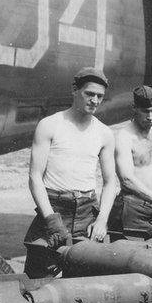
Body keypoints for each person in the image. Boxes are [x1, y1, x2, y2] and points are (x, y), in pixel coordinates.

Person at [24, 67, 118, 278]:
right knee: (38, 281)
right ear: (75, 90)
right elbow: (35, 177)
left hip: (87, 213)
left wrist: (102, 220)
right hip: (54, 208)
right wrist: (50, 219)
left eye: (100, 96)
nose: (95, 100)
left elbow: (111, 182)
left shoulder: (105, 133)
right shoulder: (50, 125)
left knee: (85, 282)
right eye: (89, 93)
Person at [107, 85, 152, 234]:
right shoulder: (124, 137)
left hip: (151, 206)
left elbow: (150, 167)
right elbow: (127, 180)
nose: (150, 117)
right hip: (130, 208)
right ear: (134, 108)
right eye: (145, 111)